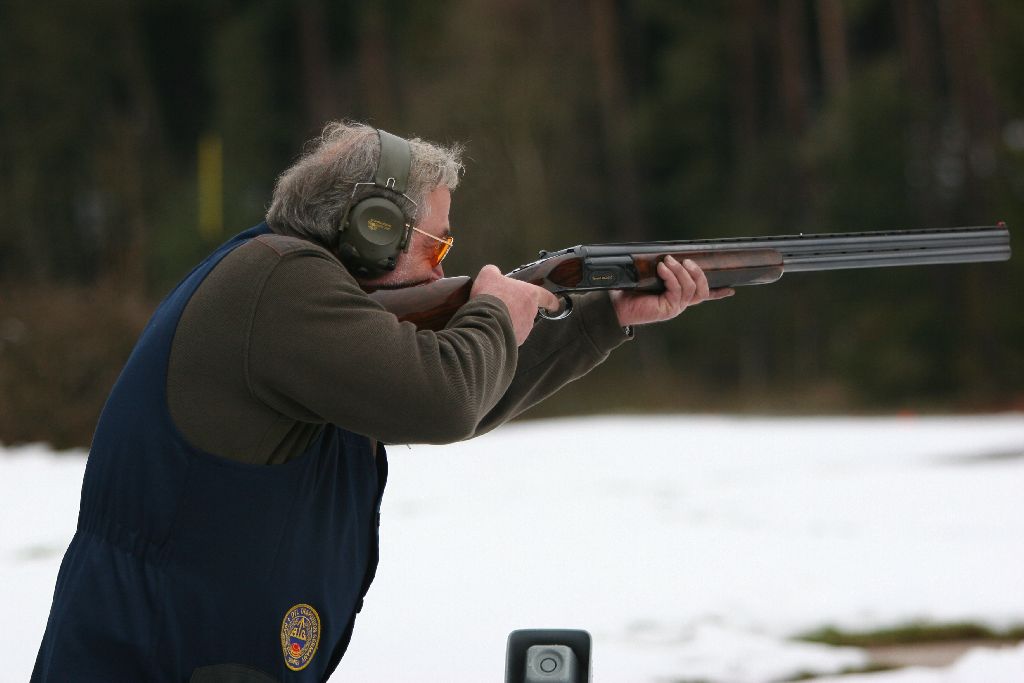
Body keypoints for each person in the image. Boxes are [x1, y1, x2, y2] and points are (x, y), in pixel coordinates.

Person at [32, 121, 733, 682]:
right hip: (156, 657)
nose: (441, 265)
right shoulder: (281, 284)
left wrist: (605, 317)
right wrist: (493, 309)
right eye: (436, 244)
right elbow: (443, 397)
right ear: (373, 227)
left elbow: (455, 393)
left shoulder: (283, 284)